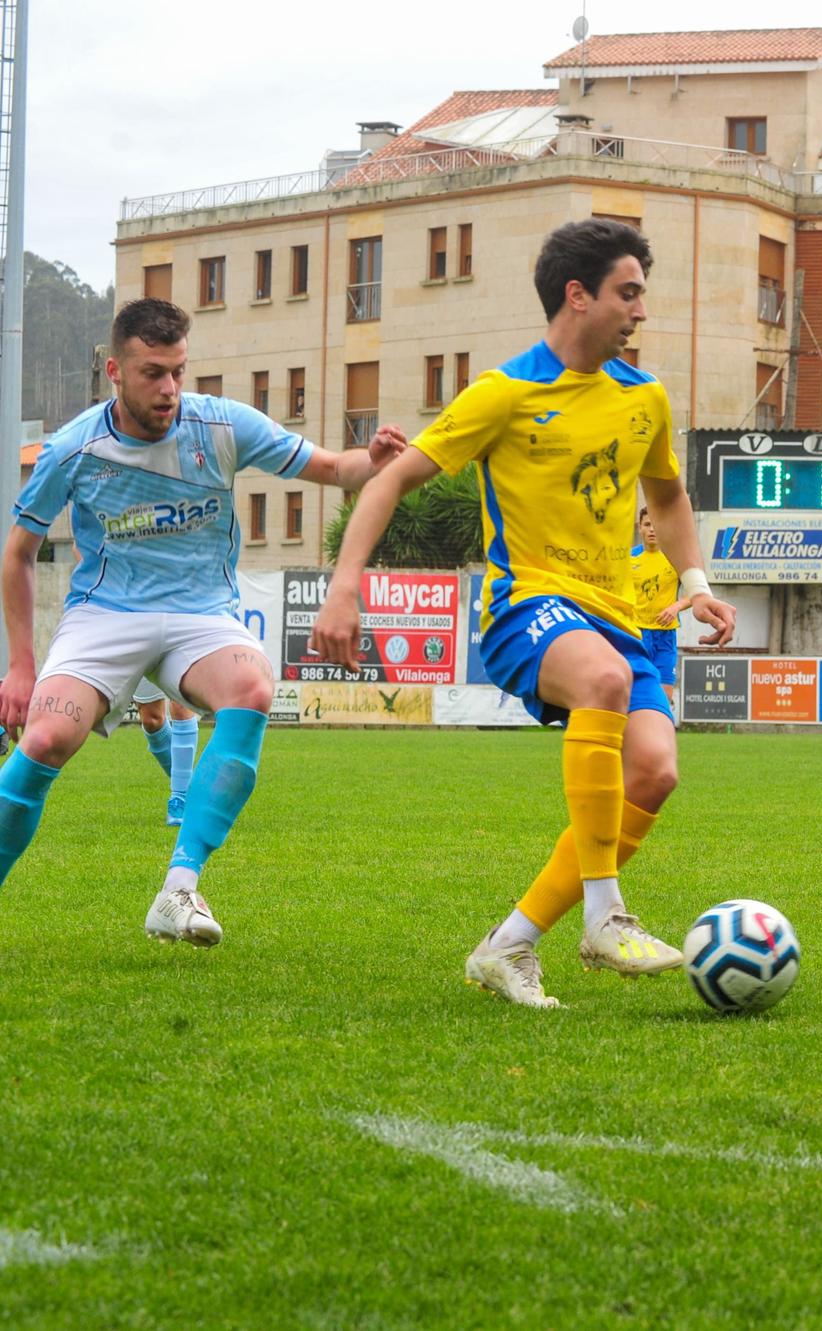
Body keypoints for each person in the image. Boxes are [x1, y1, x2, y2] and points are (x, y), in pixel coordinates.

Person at [311, 218, 736, 1009]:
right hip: (524, 607)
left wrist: (697, 577)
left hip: (618, 617)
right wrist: (345, 586)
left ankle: (509, 944)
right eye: (628, 293)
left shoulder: (644, 397)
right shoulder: (504, 393)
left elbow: (669, 494)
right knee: (604, 679)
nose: (641, 311)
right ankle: (607, 916)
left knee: (655, 769)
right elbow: (387, 481)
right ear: (578, 296)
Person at [0, 297, 406, 944]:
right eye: (152, 373)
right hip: (105, 616)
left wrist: (376, 459)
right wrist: (21, 665)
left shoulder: (219, 425)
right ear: (114, 370)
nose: (168, 390)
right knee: (46, 739)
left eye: (178, 372)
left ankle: (178, 888)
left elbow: (334, 467)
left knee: (251, 688)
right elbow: (18, 555)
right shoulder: (74, 449)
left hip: (198, 615)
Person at [631, 505, 692, 712]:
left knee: (664, 695)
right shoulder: (628, 560)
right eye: (648, 525)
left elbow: (696, 593)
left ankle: (661, 739)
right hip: (635, 634)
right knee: (634, 691)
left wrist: (676, 606)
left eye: (656, 525)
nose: (652, 530)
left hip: (665, 636)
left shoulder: (675, 557)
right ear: (640, 528)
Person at [133, 682, 200, 826]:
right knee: (151, 721)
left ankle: (180, 798)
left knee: (181, 704)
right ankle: (194, 791)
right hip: (141, 658)